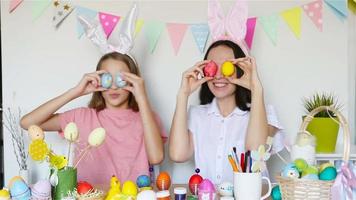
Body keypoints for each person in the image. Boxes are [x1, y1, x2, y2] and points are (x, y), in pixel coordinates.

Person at [20, 51, 166, 184]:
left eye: (121, 78)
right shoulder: (81, 117)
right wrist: (75, 92)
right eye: (108, 79)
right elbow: (27, 123)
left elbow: (156, 157)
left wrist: (142, 98)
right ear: (98, 81)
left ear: (133, 81)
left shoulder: (147, 118)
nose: (114, 87)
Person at [169, 40, 284, 184]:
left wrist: (256, 89)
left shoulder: (265, 113)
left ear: (240, 70)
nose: (218, 75)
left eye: (226, 67)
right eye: (212, 67)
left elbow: (255, 151)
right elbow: (178, 154)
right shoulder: (197, 115)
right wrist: (183, 95)